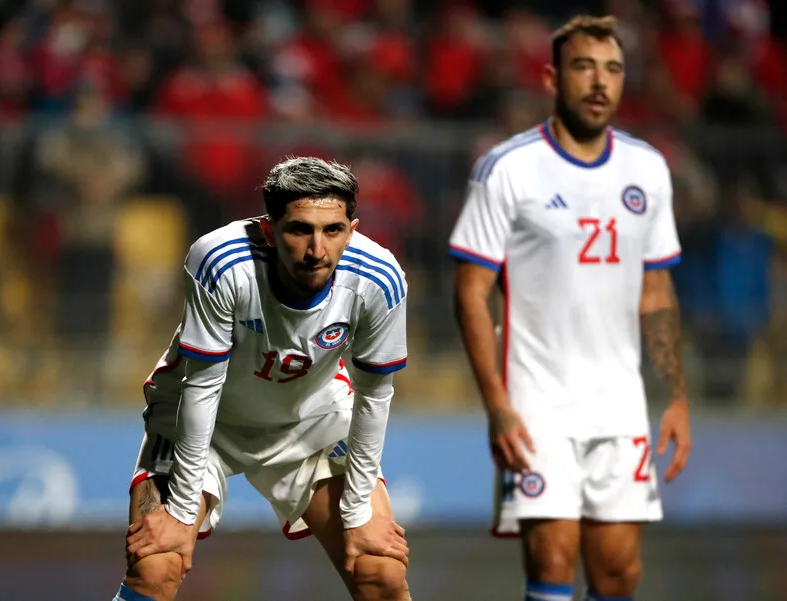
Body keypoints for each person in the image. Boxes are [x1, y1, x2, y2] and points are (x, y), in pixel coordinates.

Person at [449, 15, 693, 601]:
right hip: (537, 402)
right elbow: (470, 291)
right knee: (553, 558)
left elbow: (656, 292)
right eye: (584, 66)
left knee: (617, 572)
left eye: (613, 69)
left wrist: (677, 395)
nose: (600, 82)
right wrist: (498, 406)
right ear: (552, 78)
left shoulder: (648, 170)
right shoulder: (508, 168)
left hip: (620, 403)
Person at [113, 157, 412, 601]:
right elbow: (203, 386)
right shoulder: (222, 260)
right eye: (299, 230)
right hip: (202, 425)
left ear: (351, 230)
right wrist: (178, 511)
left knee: (380, 573)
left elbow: (375, 396)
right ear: (270, 230)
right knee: (155, 567)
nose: (317, 250)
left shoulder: (380, 278)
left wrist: (355, 509)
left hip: (311, 424)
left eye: (333, 231)